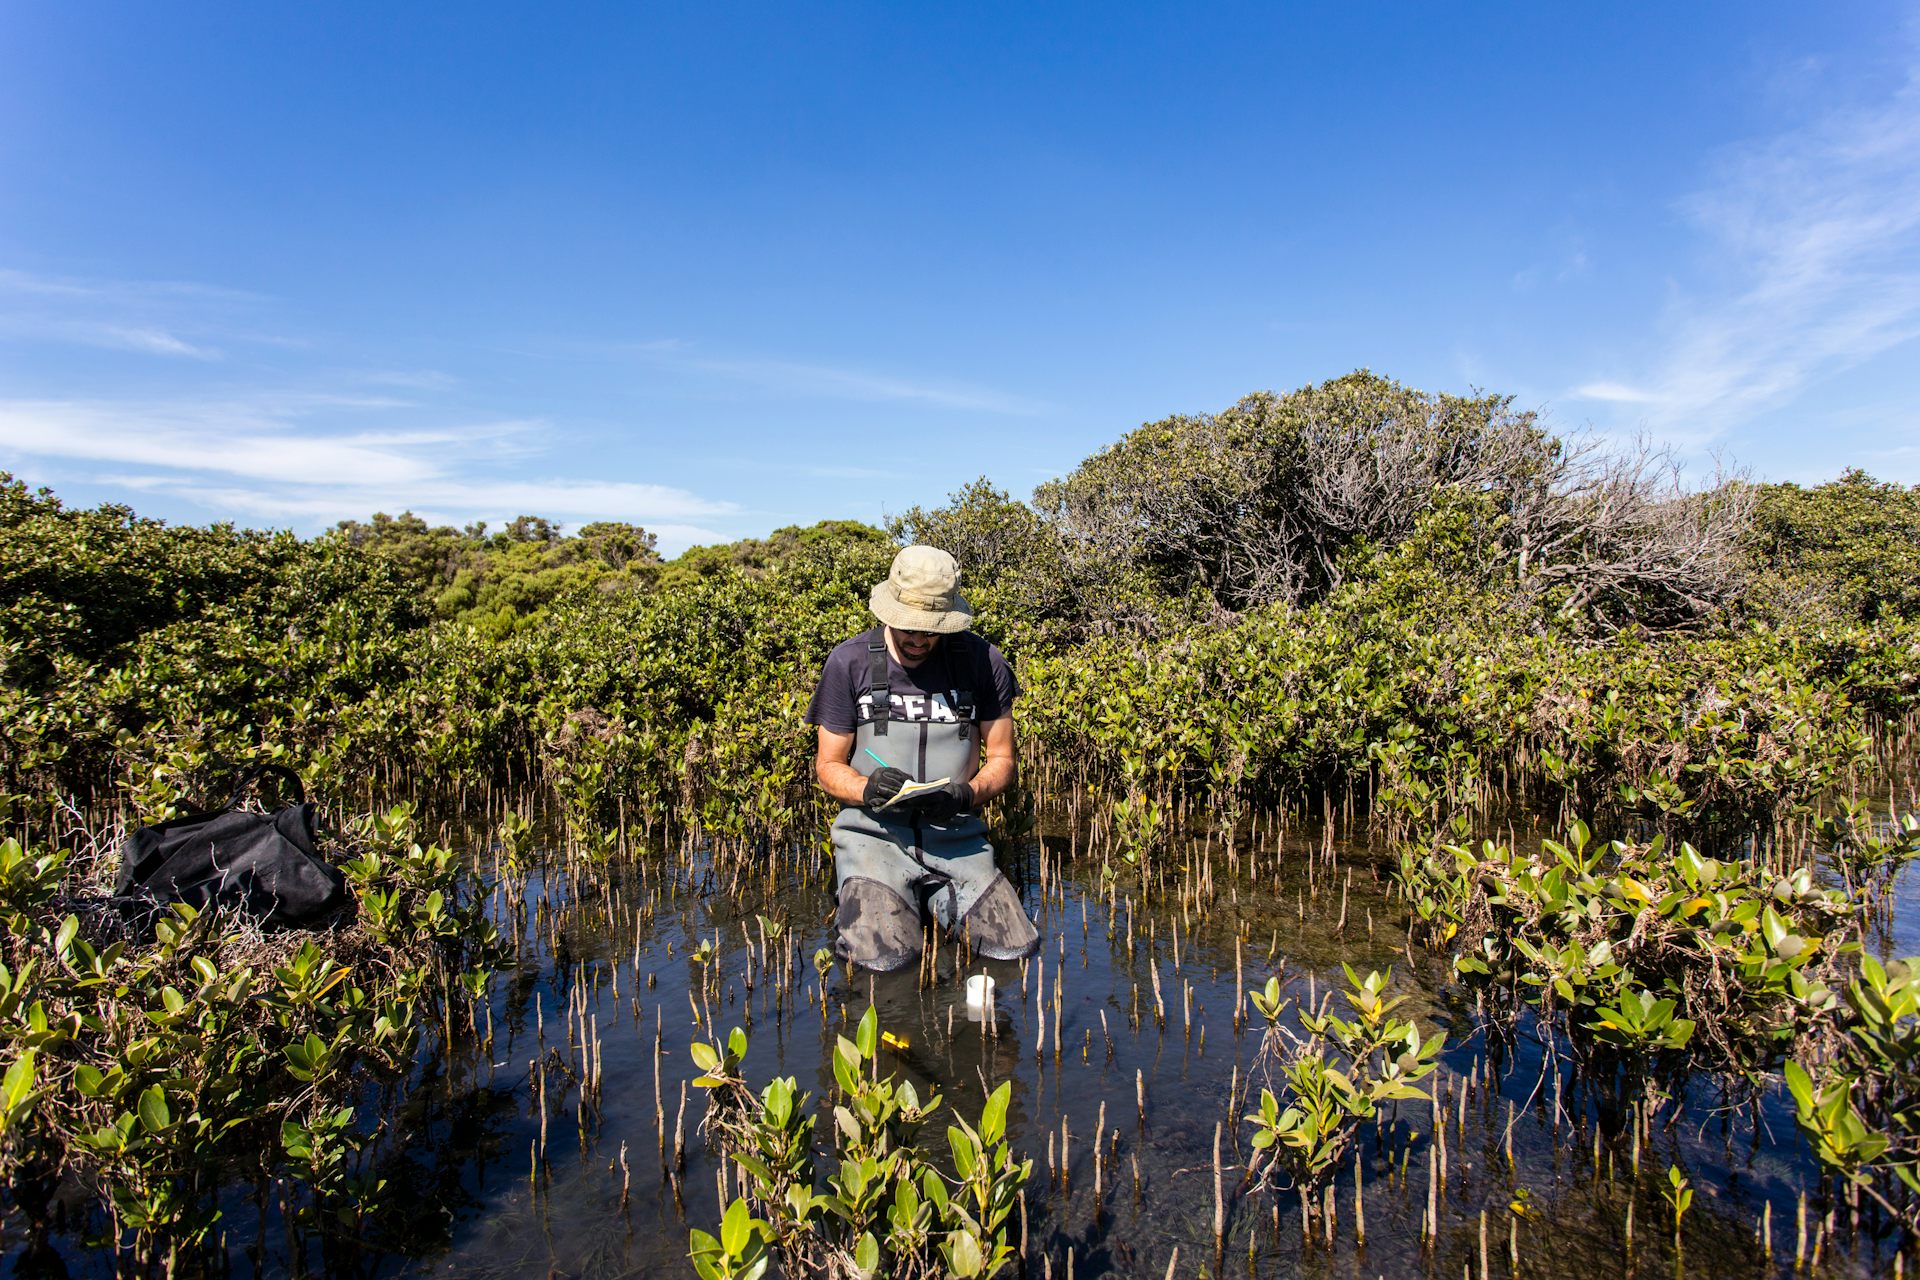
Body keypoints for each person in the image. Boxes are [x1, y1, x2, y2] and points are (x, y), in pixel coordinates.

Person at [804, 545, 1041, 972]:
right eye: (908, 627)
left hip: (958, 839)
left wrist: (965, 795)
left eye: (930, 629)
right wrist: (867, 788)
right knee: (883, 964)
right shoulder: (849, 662)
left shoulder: (985, 663)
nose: (918, 639)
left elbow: (1003, 759)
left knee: (1012, 954)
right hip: (873, 837)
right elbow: (827, 767)